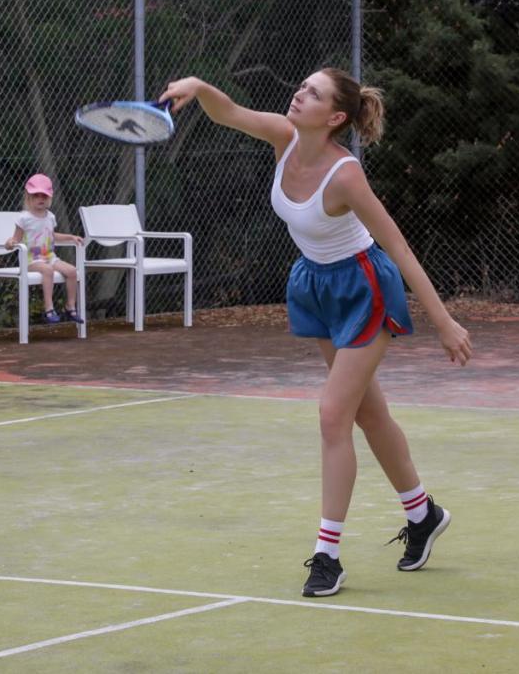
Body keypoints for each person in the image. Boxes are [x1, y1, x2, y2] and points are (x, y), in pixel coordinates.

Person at [160, 69, 472, 598]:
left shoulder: (345, 175)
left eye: (312, 94)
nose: (298, 95)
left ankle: (327, 556)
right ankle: (423, 515)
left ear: (335, 118)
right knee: (366, 413)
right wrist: (199, 87)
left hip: (363, 287)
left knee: (333, 415)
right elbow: (229, 112)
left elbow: (396, 244)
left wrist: (443, 321)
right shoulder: (283, 136)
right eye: (300, 87)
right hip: (315, 283)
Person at [5, 173, 84, 324]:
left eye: (44, 196)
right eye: (36, 195)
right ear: (29, 197)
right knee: (47, 270)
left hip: (49, 257)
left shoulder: (50, 216)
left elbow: (52, 235)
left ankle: (70, 306)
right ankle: (48, 308)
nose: (40, 199)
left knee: (72, 271)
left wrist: (71, 237)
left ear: (49, 198)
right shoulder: (24, 218)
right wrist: (9, 243)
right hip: (31, 260)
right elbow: (16, 239)